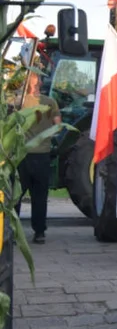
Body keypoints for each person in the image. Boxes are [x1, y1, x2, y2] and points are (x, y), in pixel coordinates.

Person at [16, 72, 61, 244]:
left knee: (16, 196)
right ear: (39, 83)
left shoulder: (18, 102)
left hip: (22, 156)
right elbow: (58, 126)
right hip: (42, 155)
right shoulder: (50, 102)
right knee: (40, 196)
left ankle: (14, 231)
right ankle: (39, 232)